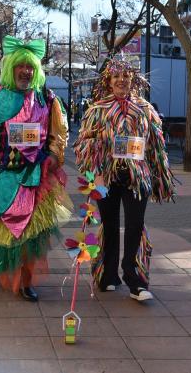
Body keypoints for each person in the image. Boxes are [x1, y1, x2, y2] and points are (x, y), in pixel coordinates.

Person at [0, 35, 71, 302]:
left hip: (31, 178)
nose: (26, 72)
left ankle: (25, 282)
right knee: (0, 233)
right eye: (20, 66)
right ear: (10, 68)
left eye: (31, 67)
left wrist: (55, 157)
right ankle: (4, 271)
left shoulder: (47, 99)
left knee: (29, 235)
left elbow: (58, 136)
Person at [73, 60, 175, 302]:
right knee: (109, 225)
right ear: (108, 81)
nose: (121, 80)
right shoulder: (97, 110)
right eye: (116, 76)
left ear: (133, 80)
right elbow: (83, 143)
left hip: (136, 177)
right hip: (106, 176)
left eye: (126, 77)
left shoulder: (145, 109)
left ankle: (135, 279)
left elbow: (157, 148)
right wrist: (100, 151)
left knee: (135, 225)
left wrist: (160, 177)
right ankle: (107, 275)